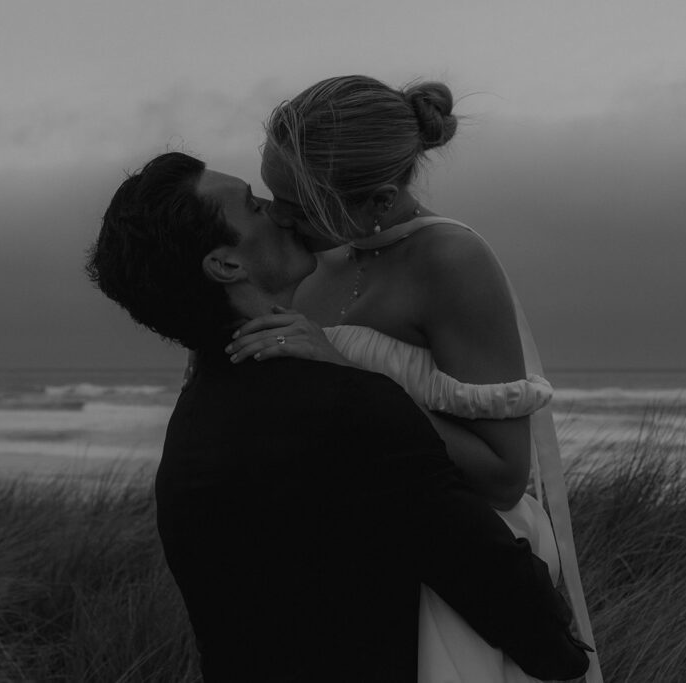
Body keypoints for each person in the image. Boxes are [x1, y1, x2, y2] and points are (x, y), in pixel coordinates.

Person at [85, 151, 590, 682]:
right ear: (226, 265)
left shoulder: (189, 426)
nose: (279, 215)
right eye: (255, 206)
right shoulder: (348, 405)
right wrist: (566, 655)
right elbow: (499, 585)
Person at [226, 75, 603, 682]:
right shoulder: (322, 257)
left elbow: (505, 477)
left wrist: (348, 377)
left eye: (298, 205)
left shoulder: (450, 261)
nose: (276, 215)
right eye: (273, 193)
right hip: (342, 572)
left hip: (450, 579)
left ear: (377, 199)